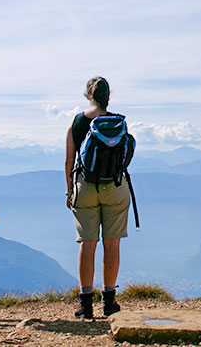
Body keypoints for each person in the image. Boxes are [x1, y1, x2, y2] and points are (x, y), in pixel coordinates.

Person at [65, 77, 130, 319]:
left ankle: (85, 303)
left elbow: (69, 160)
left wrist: (69, 189)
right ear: (108, 96)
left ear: (88, 95)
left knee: (87, 243)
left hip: (86, 186)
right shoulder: (118, 121)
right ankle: (110, 301)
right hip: (115, 186)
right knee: (112, 243)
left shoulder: (78, 122)